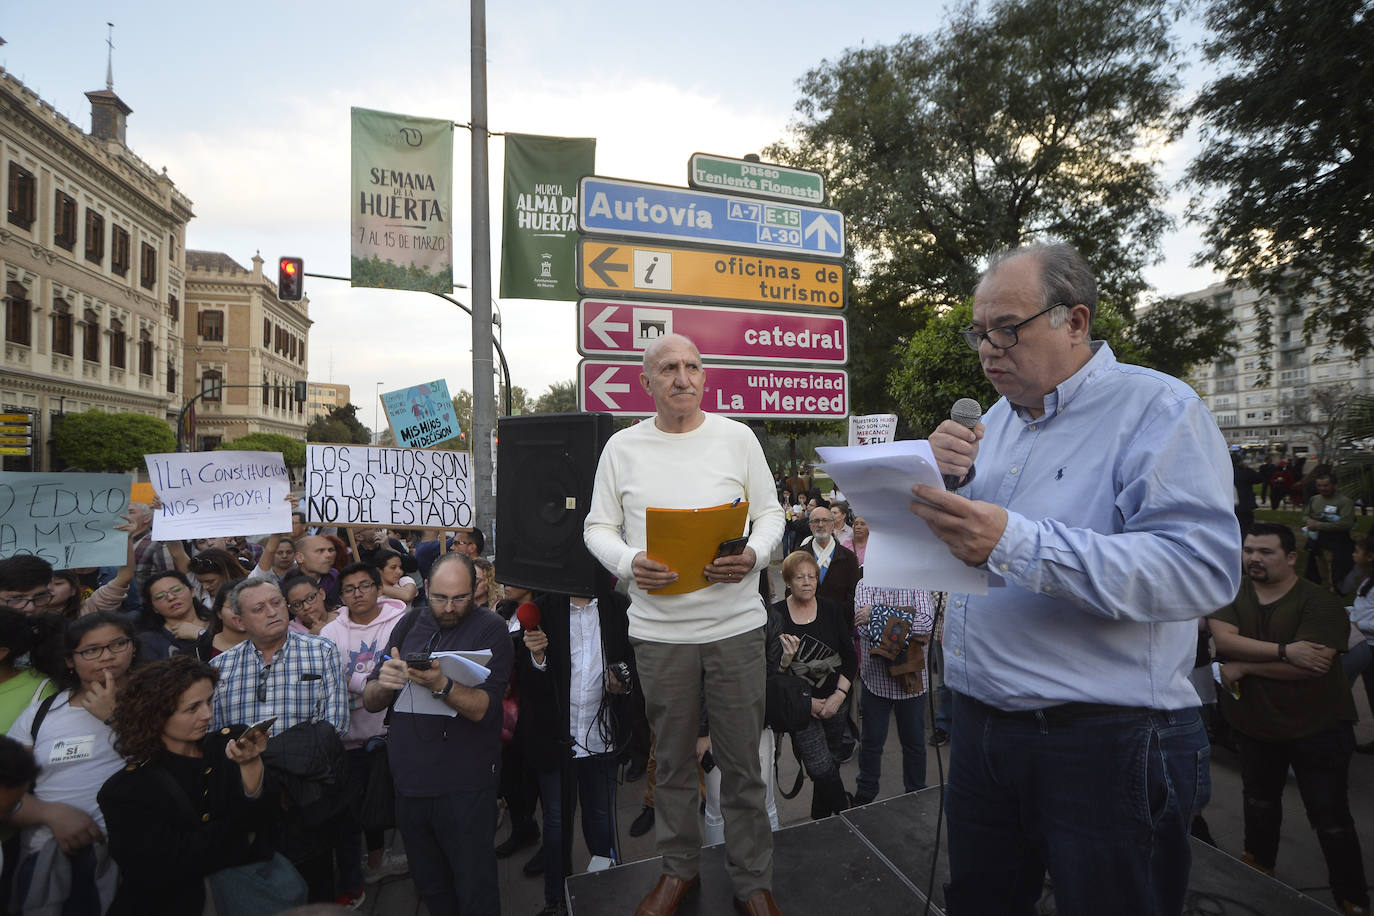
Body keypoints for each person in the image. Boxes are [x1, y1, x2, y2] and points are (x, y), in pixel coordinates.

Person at [912, 242, 1240, 914]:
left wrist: (1011, 539)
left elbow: (1201, 571)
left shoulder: (1158, 410)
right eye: (979, 331)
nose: (987, 348)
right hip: (978, 730)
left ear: (1076, 321)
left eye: (1008, 328)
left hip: (1103, 741)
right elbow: (973, 556)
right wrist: (934, 495)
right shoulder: (992, 427)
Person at [583, 332, 785, 916]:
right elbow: (597, 527)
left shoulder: (737, 438)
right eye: (668, 367)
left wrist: (755, 553)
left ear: (705, 376)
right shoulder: (622, 448)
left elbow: (770, 513)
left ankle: (753, 883)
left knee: (744, 764)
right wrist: (627, 563)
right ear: (646, 382)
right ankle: (679, 872)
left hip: (737, 628)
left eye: (693, 366)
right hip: (661, 635)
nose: (682, 376)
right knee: (671, 763)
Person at [1208, 523, 1368, 916]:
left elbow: (1314, 665)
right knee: (1258, 802)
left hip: (1318, 729)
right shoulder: (1232, 591)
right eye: (1248, 551)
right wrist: (1283, 651)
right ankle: (1258, 867)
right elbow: (1224, 641)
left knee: (1330, 818)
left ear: (1291, 556)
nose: (1253, 559)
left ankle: (1351, 898)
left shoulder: (1319, 601)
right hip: (1255, 726)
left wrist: (1245, 664)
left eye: (1265, 552)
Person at [362, 552, 511, 916]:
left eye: (458, 598)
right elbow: (370, 700)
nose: (448, 607)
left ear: (475, 589)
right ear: (426, 588)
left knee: (475, 889)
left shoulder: (491, 629)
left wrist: (442, 684)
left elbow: (485, 709)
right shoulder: (410, 622)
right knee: (431, 888)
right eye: (440, 597)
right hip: (410, 786)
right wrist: (385, 683)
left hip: (465, 788)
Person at [99, 656, 304, 916]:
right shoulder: (124, 790)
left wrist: (251, 764)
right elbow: (157, 869)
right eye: (192, 708)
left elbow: (268, 821)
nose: (207, 714)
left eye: (208, 701)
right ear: (154, 715)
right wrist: (240, 835)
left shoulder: (228, 747)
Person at [210, 578, 350, 904]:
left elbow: (335, 725)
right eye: (259, 608)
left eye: (277, 602)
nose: (273, 612)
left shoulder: (321, 651)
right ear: (239, 620)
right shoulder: (220, 669)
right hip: (251, 801)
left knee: (316, 890)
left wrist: (272, 759)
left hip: (309, 796)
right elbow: (215, 738)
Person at [5, 612, 140, 914]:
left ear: (133, 647)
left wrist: (113, 716)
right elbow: (8, 788)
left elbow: (167, 768)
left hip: (126, 855)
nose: (106, 657)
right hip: (45, 853)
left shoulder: (155, 702)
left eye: (118, 644)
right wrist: (50, 813)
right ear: (70, 660)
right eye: (91, 650)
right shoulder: (43, 713)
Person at [517, 581, 632, 916]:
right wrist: (536, 655)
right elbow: (526, 682)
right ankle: (556, 899)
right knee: (555, 822)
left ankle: (604, 889)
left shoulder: (618, 607)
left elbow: (631, 660)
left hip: (601, 736)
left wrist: (622, 683)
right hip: (556, 738)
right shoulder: (542, 610)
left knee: (600, 818)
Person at [319, 563, 409, 892]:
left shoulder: (401, 622)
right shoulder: (330, 633)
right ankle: (373, 862)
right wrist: (370, 682)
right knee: (362, 804)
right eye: (349, 589)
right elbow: (332, 680)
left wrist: (356, 681)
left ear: (378, 587)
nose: (358, 593)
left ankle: (413, 855)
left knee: (403, 800)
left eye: (365, 585)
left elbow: (405, 669)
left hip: (396, 730)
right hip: (352, 735)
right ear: (340, 596)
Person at [770, 551, 855, 820]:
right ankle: (846, 811)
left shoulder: (830, 609)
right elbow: (771, 675)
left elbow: (850, 657)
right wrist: (785, 660)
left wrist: (839, 697)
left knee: (831, 760)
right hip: (800, 708)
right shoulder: (776, 615)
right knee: (819, 766)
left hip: (835, 701)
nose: (807, 582)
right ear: (787, 582)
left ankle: (820, 817)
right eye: (799, 577)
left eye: (812, 576)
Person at [850, 577, 934, 805]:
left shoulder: (917, 583)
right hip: (875, 682)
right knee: (871, 742)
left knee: (915, 743)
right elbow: (865, 631)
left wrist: (876, 614)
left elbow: (926, 624)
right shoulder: (864, 583)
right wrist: (907, 625)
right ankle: (866, 792)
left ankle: (916, 790)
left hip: (912, 683)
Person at [137, 570, 214, 661]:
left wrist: (201, 633)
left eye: (176, 590)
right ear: (154, 607)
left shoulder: (220, 621)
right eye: (160, 596)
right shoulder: (148, 641)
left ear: (192, 591)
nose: (171, 597)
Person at [1305, 472, 1356, 591]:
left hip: (1336, 543)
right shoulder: (1314, 499)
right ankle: (1324, 591)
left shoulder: (1345, 502)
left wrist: (1319, 525)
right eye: (1319, 485)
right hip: (1317, 542)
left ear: (1335, 485)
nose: (1322, 488)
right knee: (1319, 569)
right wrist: (1309, 521)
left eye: (1326, 485)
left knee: (1335, 572)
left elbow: (1346, 524)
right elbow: (1306, 515)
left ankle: (1335, 593)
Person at [294, 536, 341, 609]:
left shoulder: (336, 578)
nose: (328, 555)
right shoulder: (286, 585)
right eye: (320, 551)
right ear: (300, 557)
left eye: (330, 550)